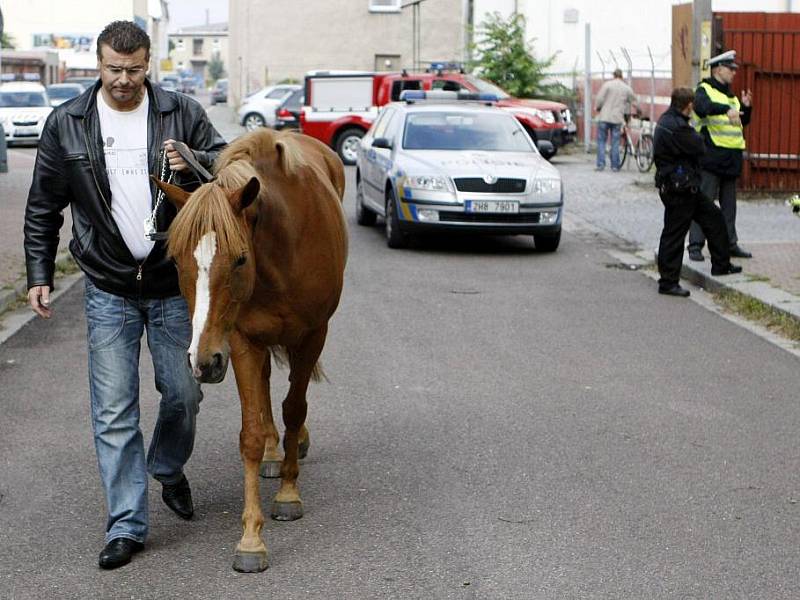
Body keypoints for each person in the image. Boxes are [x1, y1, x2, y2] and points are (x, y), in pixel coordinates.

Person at [23, 21, 226, 569]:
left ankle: (166, 465)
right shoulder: (67, 122)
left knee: (184, 393)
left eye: (134, 69)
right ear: (99, 63)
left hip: (170, 284)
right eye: (114, 68)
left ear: (148, 63)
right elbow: (44, 204)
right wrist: (39, 272)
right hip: (108, 285)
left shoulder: (181, 112)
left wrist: (197, 162)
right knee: (114, 411)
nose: (123, 80)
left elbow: (227, 167)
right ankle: (127, 523)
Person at [653, 86, 742, 297]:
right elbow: (699, 146)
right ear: (689, 105)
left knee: (714, 219)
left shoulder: (667, 121)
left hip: (683, 187)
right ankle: (668, 282)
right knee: (674, 234)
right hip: (679, 189)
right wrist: (697, 135)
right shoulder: (678, 127)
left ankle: (721, 265)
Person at [687, 49, 753, 261]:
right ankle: (695, 245)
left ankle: (729, 243)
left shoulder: (731, 96)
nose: (734, 72)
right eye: (730, 69)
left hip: (731, 158)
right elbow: (702, 107)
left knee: (729, 206)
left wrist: (746, 108)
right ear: (718, 69)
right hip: (711, 157)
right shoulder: (704, 89)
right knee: (703, 203)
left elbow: (740, 122)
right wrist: (726, 109)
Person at [594, 68, 637, 171]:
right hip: (617, 119)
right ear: (622, 76)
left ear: (613, 75)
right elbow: (634, 101)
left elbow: (599, 99)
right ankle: (615, 166)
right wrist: (639, 111)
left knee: (601, 141)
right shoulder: (626, 88)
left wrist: (598, 107)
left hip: (604, 117)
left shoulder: (607, 85)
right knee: (615, 142)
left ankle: (601, 164)